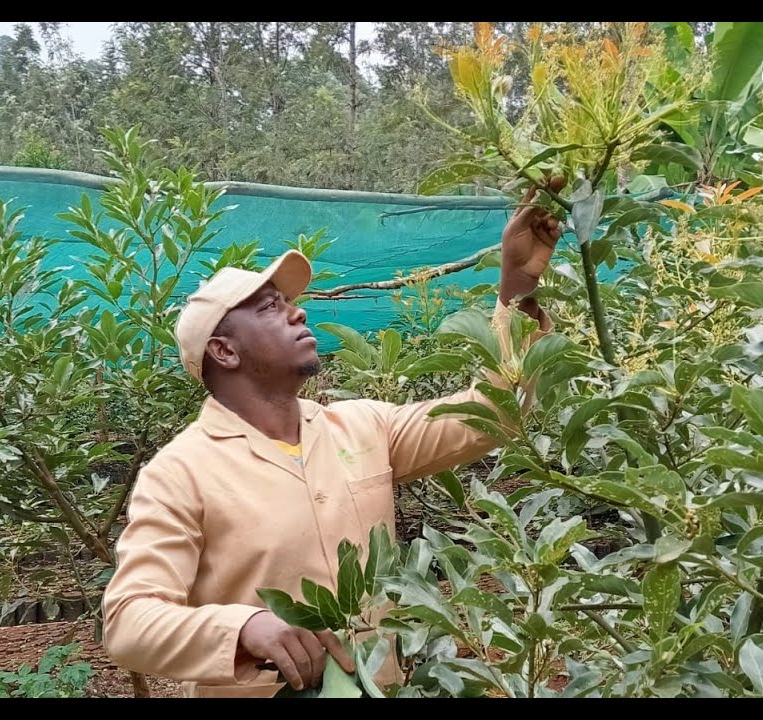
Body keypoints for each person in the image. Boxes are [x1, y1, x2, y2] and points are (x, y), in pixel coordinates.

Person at [102, 179, 565, 698]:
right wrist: (243, 629)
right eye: (269, 308)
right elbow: (129, 620)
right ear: (224, 352)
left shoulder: (364, 425)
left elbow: (490, 415)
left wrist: (516, 290)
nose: (298, 312)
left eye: (289, 303)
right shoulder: (179, 473)